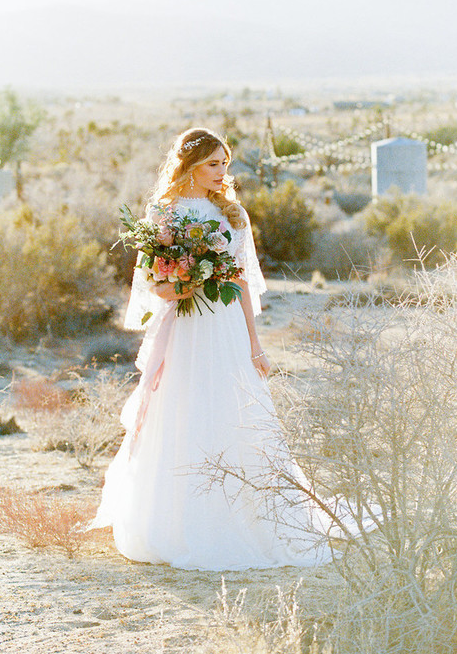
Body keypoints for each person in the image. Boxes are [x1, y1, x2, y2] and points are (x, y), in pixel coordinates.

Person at [87, 128, 354, 570]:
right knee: (184, 409)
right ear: (189, 165)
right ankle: (175, 521)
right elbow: (151, 280)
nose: (222, 172)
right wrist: (171, 285)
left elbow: (243, 282)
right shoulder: (164, 212)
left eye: (225, 163)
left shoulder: (234, 215)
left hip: (226, 326)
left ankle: (253, 516)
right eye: (213, 163)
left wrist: (255, 344)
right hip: (186, 329)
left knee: (238, 409)